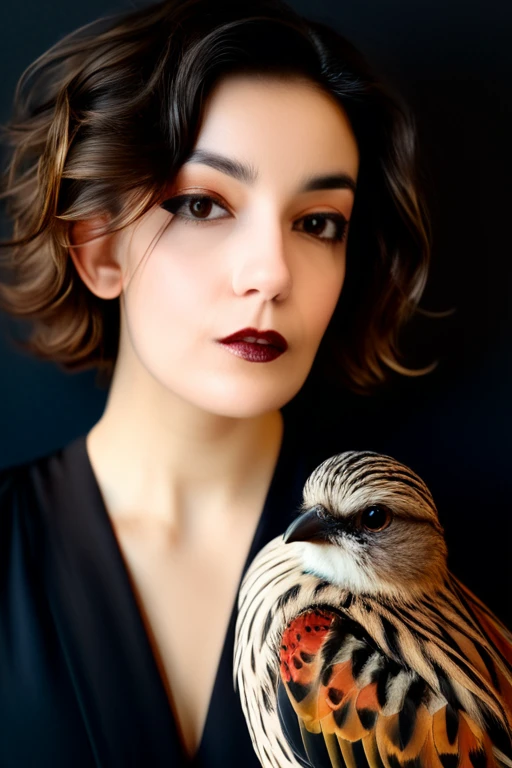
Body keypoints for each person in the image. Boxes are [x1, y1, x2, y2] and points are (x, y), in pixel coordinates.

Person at [0, 0, 435, 764]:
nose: (270, 273)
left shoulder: (437, 565)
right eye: (203, 204)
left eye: (318, 222)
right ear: (97, 248)